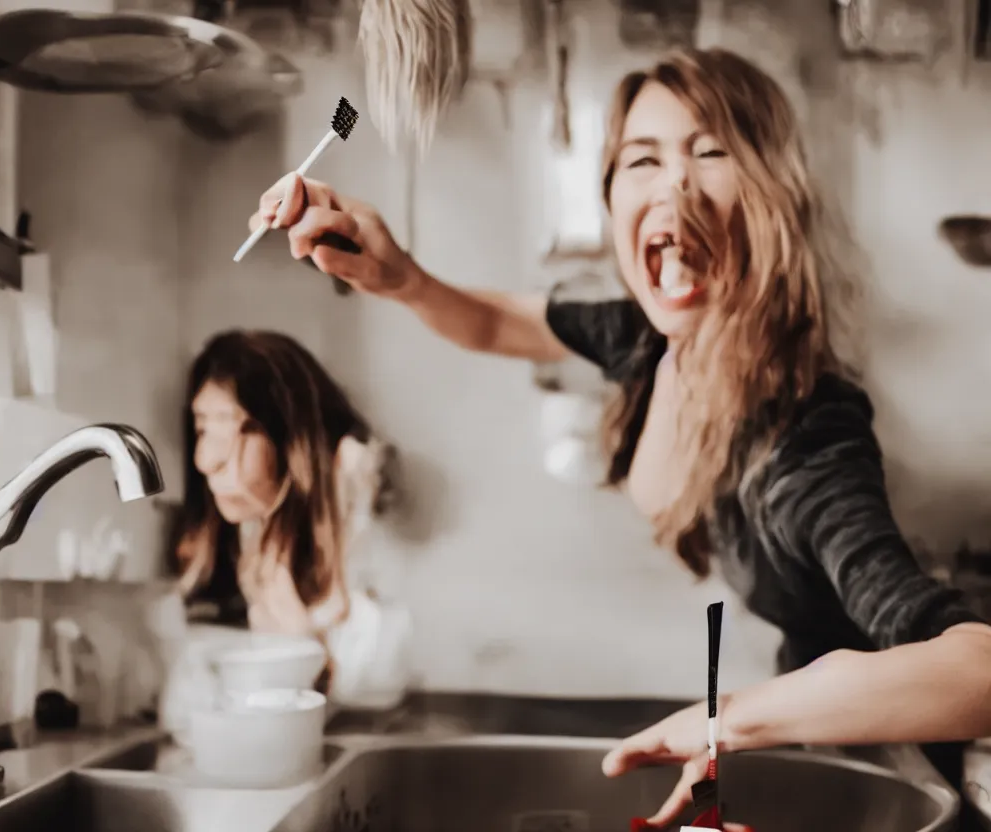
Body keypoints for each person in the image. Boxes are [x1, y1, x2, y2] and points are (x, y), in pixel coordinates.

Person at [250, 48, 991, 826]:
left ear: (775, 197)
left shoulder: (805, 436)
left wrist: (725, 719)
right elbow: (502, 322)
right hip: (802, 734)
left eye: (710, 152)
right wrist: (400, 277)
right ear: (609, 196)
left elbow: (978, 668)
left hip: (877, 750)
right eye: (642, 158)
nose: (673, 183)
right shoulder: (649, 339)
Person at [170, 329, 410, 710]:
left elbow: (388, 683)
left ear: (291, 436)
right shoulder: (259, 525)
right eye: (202, 429)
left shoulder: (363, 488)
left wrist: (310, 657)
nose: (206, 460)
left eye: (236, 429)